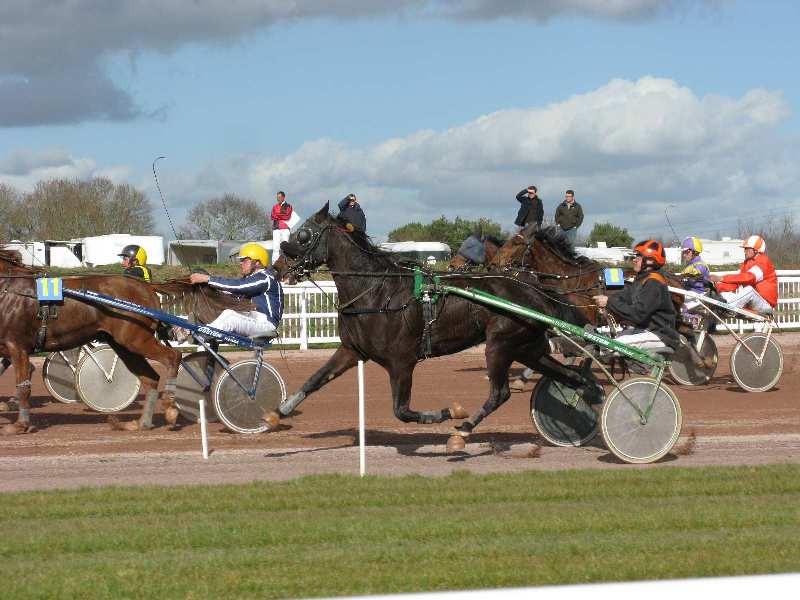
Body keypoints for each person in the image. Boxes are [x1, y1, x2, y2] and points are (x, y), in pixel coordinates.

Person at [592, 240, 680, 351]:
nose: (634, 260)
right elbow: (623, 296)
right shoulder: (642, 280)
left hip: (660, 335)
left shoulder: (654, 283)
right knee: (603, 338)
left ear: (650, 261)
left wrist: (609, 302)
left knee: (608, 345)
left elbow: (638, 314)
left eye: (638, 257)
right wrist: (607, 303)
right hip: (645, 330)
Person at [188, 243, 283, 339]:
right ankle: (188, 331)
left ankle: (199, 334)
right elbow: (230, 292)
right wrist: (208, 287)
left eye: (244, 260)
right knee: (224, 313)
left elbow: (238, 286)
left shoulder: (265, 278)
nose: (241, 263)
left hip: (266, 325)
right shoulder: (253, 280)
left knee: (230, 316)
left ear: (257, 263)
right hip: (254, 320)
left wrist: (208, 279)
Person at [709, 235, 777, 313]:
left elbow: (749, 277)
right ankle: (719, 306)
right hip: (752, 301)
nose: (744, 251)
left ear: (756, 250)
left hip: (765, 304)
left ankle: (725, 308)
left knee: (749, 290)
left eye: (747, 249)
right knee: (724, 295)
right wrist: (715, 287)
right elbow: (736, 282)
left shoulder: (764, 262)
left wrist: (721, 278)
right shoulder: (747, 263)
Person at [270, 191, 293, 262]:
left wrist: (278, 215)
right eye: (277, 197)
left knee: (284, 247)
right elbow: (272, 216)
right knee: (275, 247)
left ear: (283, 197)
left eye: (279, 197)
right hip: (276, 228)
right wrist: (281, 215)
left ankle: (284, 262)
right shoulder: (274, 206)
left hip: (285, 228)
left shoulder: (288, 206)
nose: (278, 198)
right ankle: (274, 263)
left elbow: (287, 216)